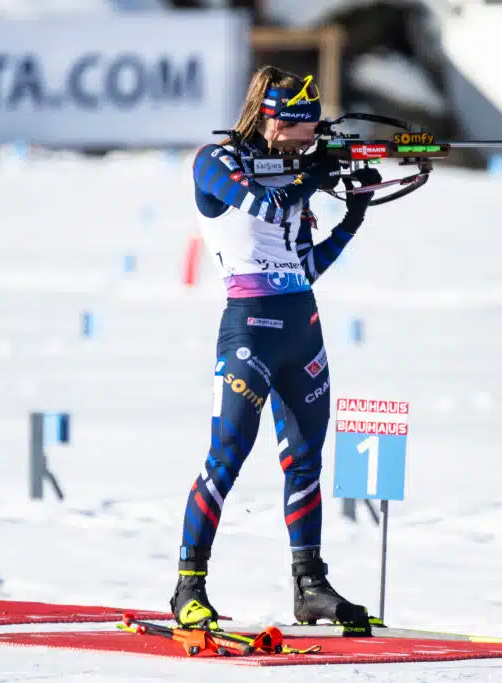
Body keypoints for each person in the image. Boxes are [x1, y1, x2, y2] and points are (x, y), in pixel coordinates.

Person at [170, 65, 381, 633]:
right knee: (227, 457)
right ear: (271, 121)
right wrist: (311, 178)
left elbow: (304, 266)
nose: (310, 137)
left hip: (302, 329)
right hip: (249, 330)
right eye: (301, 128)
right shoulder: (216, 163)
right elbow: (264, 208)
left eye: (315, 128)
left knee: (306, 461)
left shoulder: (297, 173)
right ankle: (189, 586)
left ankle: (309, 584)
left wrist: (353, 216)